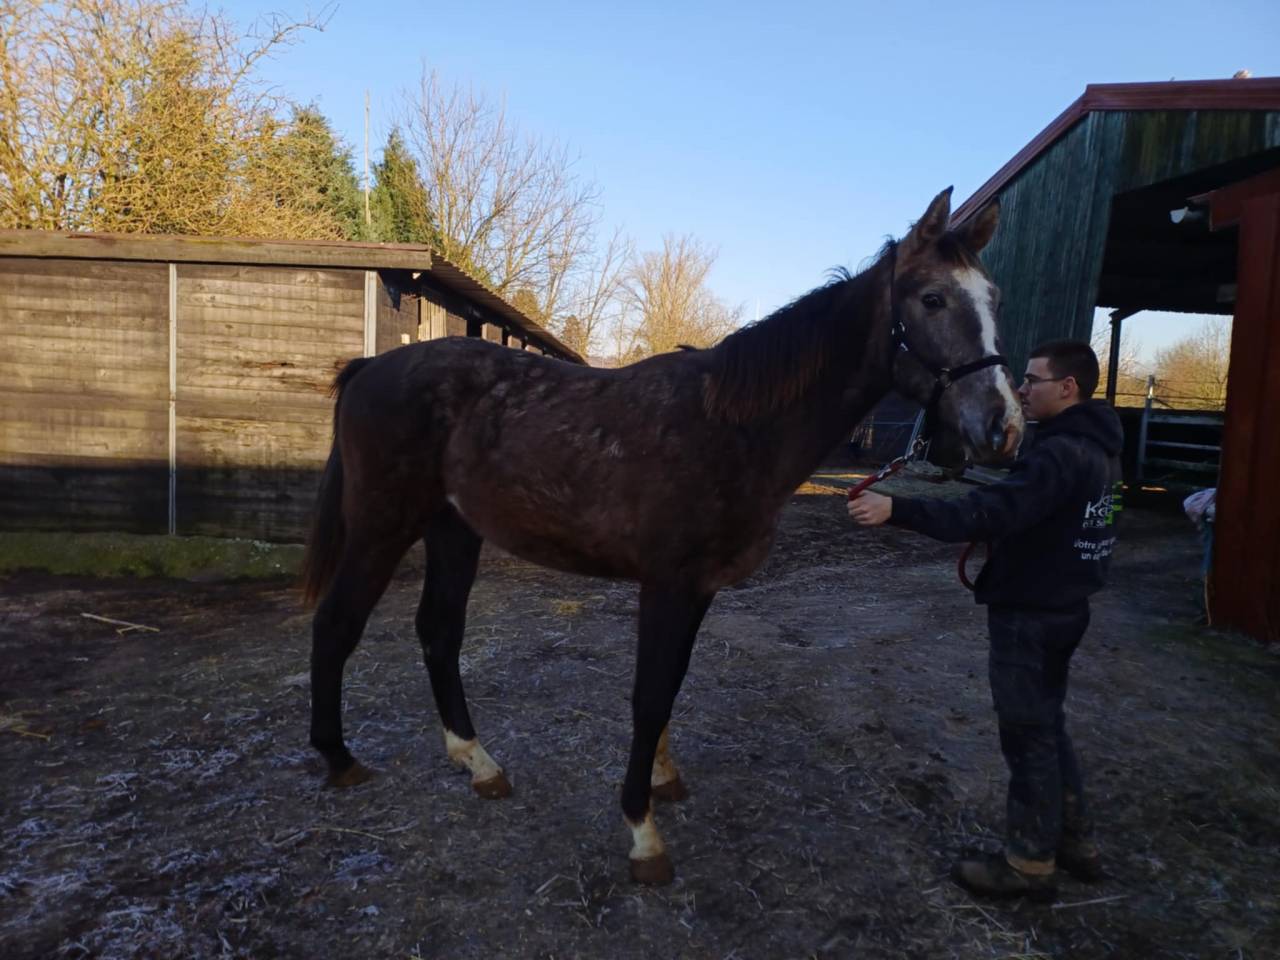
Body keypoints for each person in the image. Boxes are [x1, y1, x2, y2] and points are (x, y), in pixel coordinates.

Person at [848, 339, 1123, 902]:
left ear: (1067, 387)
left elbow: (991, 512)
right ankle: (1076, 841)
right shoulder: (1101, 450)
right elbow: (1044, 510)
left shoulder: (1058, 454)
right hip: (1068, 605)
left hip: (1031, 611)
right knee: (1048, 725)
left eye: (1032, 379)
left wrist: (898, 508)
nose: (1021, 388)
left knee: (1026, 735)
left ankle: (1029, 862)